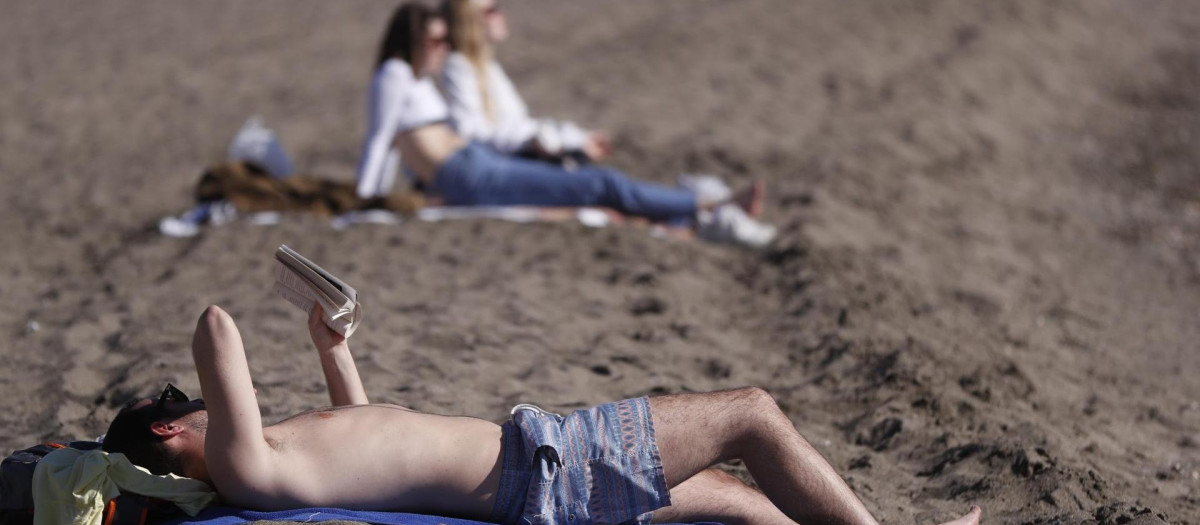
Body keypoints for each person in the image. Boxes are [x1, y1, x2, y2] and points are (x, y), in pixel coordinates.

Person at [102, 304, 983, 525]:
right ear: (171, 428)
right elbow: (215, 325)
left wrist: (330, 345)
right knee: (751, 412)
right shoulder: (247, 468)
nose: (197, 401)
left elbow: (369, 438)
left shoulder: (275, 464)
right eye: (181, 404)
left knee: (732, 494)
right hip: (545, 468)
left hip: (537, 475)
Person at [353, 3, 776, 248]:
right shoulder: (393, 74)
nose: (443, 49)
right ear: (409, 40)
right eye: (434, 41)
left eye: (446, 41)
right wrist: (364, 202)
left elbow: (403, 146)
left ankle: (694, 218)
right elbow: (380, 141)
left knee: (592, 185)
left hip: (472, 164)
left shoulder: (415, 79)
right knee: (601, 185)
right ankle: (709, 207)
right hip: (469, 171)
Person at [440, 0, 609, 163]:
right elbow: (471, 132)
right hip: (506, 163)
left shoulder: (486, 66)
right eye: (492, 10)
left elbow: (519, 126)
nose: (501, 14)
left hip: (515, 157)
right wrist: (533, 142)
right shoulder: (459, 66)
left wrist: (577, 139)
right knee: (605, 180)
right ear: (468, 20)